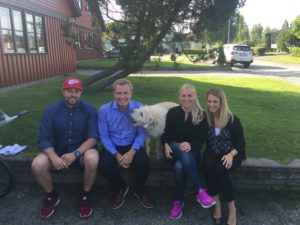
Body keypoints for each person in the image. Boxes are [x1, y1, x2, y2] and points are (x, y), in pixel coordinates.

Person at [31, 77, 99, 219]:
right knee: (37, 164)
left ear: (81, 93)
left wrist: (75, 154)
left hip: (81, 154)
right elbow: (43, 138)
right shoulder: (50, 110)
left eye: (76, 91)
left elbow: (93, 138)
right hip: (57, 154)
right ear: (63, 91)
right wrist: (53, 156)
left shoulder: (90, 110)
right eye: (69, 91)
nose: (73, 94)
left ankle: (85, 195)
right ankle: (52, 195)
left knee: (93, 158)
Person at [98, 78, 154, 210]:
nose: (122, 97)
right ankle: (121, 187)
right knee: (104, 165)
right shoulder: (104, 110)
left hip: (132, 144)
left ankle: (140, 190)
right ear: (113, 93)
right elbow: (104, 136)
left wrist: (133, 151)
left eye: (125, 93)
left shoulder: (140, 108)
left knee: (143, 162)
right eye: (118, 93)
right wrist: (116, 155)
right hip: (113, 145)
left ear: (131, 93)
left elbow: (142, 133)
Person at [162, 84, 216, 220]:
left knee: (180, 167)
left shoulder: (202, 115)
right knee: (177, 147)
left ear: (195, 96)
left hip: (193, 154)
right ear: (180, 97)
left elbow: (201, 141)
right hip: (172, 151)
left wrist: (190, 144)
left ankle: (178, 201)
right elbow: (166, 133)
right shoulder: (173, 112)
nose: (186, 99)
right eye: (183, 96)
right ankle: (200, 190)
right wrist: (166, 144)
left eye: (189, 96)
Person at [202, 87, 246, 225]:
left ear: (222, 102)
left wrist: (231, 155)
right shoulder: (206, 118)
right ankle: (217, 204)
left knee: (221, 170)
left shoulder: (233, 120)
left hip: (232, 153)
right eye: (209, 101)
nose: (211, 105)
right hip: (213, 151)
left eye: (215, 101)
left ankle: (232, 209)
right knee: (208, 166)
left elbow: (240, 144)